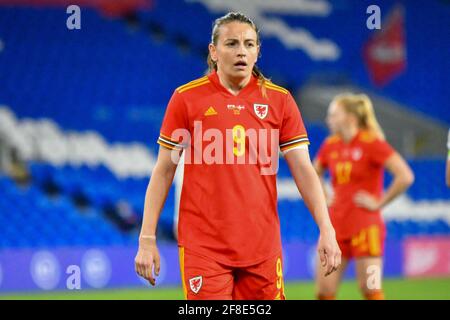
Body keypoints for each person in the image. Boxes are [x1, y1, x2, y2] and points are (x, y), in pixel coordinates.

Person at [135, 12, 341, 300]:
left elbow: (304, 170)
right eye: (231, 43)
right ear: (213, 51)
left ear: (257, 51)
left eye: (249, 44)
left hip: (262, 248)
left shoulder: (280, 101)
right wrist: (147, 238)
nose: (241, 51)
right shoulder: (186, 99)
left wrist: (326, 229)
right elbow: (163, 171)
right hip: (203, 248)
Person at [313, 93, 414, 300]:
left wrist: (380, 202)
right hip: (335, 228)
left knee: (371, 289)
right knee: (324, 292)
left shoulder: (372, 143)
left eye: (333, 115)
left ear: (350, 118)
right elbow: (313, 172)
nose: (328, 119)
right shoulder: (330, 144)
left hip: (366, 229)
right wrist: (324, 195)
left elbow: (405, 175)